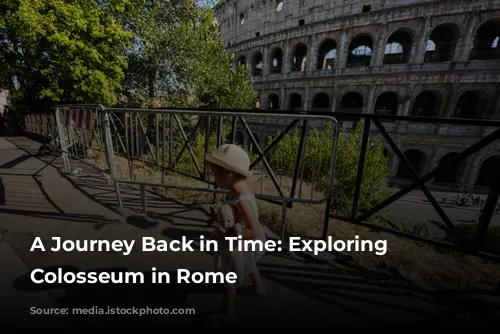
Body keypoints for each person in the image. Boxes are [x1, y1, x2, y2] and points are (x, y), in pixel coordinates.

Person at [204, 144, 267, 324]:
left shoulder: (240, 198)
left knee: (229, 276)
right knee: (250, 263)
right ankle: (259, 288)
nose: (214, 177)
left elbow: (253, 230)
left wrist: (230, 236)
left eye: (216, 173)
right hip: (252, 239)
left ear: (228, 172)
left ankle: (228, 313)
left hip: (244, 240)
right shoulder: (239, 186)